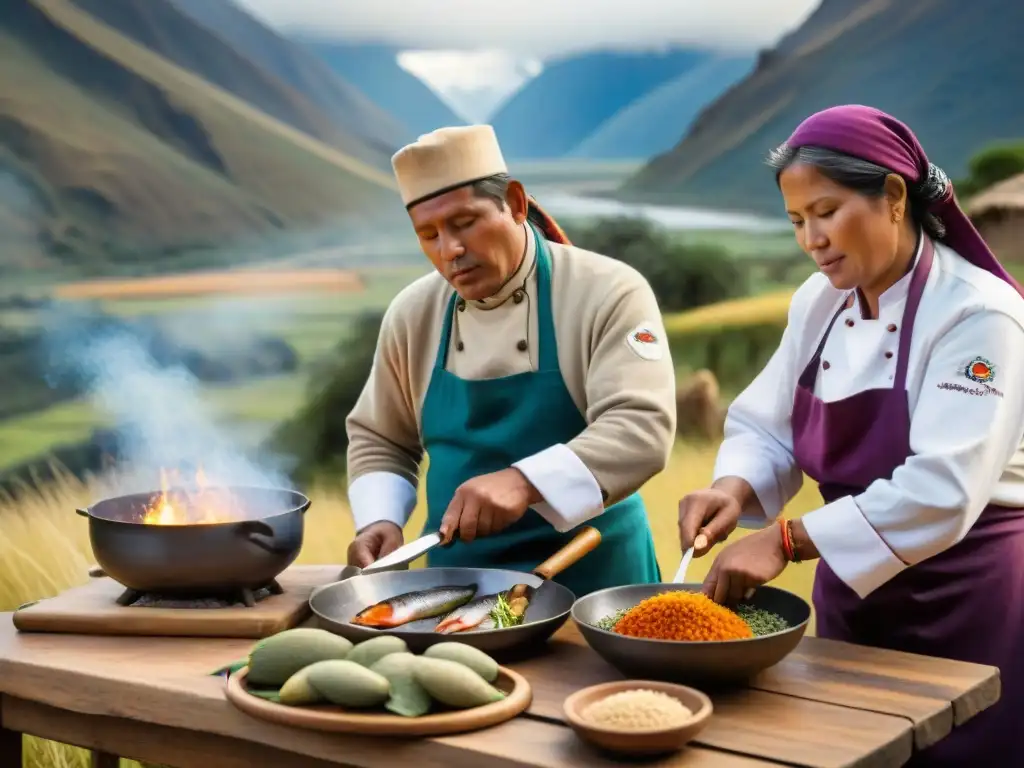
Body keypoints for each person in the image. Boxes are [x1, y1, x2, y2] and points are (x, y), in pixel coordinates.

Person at [677, 105, 1024, 766]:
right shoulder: (819, 300)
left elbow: (945, 489)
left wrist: (787, 538)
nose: (812, 238)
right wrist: (733, 485)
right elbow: (768, 422)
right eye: (796, 221)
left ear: (893, 197)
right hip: (853, 594)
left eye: (828, 212)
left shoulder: (980, 314)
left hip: (969, 596)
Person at [344, 124, 675, 596]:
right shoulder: (412, 313)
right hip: (458, 587)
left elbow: (641, 426)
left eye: (464, 223)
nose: (450, 250)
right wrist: (379, 519)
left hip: (594, 580)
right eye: (429, 234)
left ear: (516, 203)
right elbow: (380, 437)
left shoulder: (608, 291)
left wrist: (524, 481)